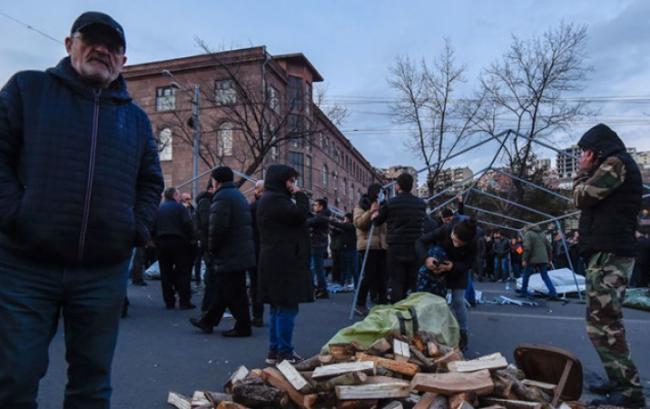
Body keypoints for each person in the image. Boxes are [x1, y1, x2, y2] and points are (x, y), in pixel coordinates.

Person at [0, 11, 164, 408]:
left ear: (123, 61)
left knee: (91, 385)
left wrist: (135, 229)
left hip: (102, 271)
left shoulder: (136, 120)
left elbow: (150, 181)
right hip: (26, 265)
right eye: (92, 41)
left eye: (113, 47)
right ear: (69, 44)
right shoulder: (29, 89)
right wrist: (14, 215)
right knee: (15, 379)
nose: (102, 51)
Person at [573, 124, 646, 408]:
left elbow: (581, 196)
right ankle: (618, 380)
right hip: (608, 253)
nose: (583, 158)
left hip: (610, 255)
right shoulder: (617, 163)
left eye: (585, 153)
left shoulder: (615, 164)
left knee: (604, 324)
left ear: (596, 150)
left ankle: (629, 391)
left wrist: (582, 172)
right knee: (603, 323)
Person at [257, 165, 313, 364]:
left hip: (274, 258)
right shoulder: (277, 200)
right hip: (285, 260)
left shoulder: (268, 199)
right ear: (281, 180)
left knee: (277, 307)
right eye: (290, 181)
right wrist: (300, 195)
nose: (293, 185)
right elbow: (300, 215)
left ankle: (275, 351)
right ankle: (285, 353)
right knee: (287, 307)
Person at [189, 167, 255, 337]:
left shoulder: (222, 197)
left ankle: (243, 326)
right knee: (225, 289)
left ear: (216, 180)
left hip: (229, 251)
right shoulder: (237, 195)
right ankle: (208, 321)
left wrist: (212, 248)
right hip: (238, 250)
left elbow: (217, 227)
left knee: (233, 291)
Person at [415, 218, 478, 351]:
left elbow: (471, 263)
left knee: (458, 301)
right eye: (454, 239)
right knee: (437, 301)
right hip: (439, 267)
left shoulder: (474, 242)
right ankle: (435, 334)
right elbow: (420, 241)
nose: (455, 244)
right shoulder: (445, 229)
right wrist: (426, 259)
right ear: (453, 231)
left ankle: (463, 334)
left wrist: (454, 266)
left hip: (458, 270)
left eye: (459, 243)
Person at [372, 173, 426, 302]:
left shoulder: (391, 203)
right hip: (414, 246)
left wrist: (375, 213)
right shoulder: (420, 204)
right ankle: (411, 311)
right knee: (412, 281)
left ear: (398, 186)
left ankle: (398, 311)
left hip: (396, 246)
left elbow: (377, 222)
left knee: (396, 280)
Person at [153, 187, 195, 309]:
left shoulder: (159, 209)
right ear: (174, 195)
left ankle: (169, 301)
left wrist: (155, 240)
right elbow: (188, 224)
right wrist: (191, 238)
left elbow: (152, 226)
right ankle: (184, 301)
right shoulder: (180, 208)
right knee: (183, 272)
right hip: (179, 242)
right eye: (179, 195)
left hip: (162, 242)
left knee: (165, 272)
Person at [353, 183, 388, 316]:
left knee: (383, 276)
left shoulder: (384, 206)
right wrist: (371, 211)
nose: (382, 196)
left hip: (382, 245)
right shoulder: (361, 205)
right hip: (367, 244)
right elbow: (359, 223)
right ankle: (360, 303)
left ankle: (382, 301)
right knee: (369, 275)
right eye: (380, 193)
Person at [520, 225, 557, 299]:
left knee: (526, 275)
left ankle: (524, 291)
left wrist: (524, 259)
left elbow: (527, 248)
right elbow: (550, 247)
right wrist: (549, 259)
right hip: (543, 259)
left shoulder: (528, 234)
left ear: (526, 228)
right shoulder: (542, 234)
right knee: (545, 276)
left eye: (523, 228)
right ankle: (553, 293)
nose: (523, 230)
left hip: (533, 259)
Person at [249, 179, 265, 327]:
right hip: (271, 249)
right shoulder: (275, 205)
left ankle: (257, 315)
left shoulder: (253, 206)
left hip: (255, 248)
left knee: (255, 284)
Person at [193, 181, 216, 288]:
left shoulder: (205, 201)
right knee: (205, 260)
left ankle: (201, 281)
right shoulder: (206, 202)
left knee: (202, 260)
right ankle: (201, 281)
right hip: (203, 237)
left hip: (202, 236)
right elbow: (205, 221)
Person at [308, 198, 331, 299]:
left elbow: (309, 222)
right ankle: (320, 289)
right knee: (317, 268)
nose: (314, 206)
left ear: (321, 207)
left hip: (317, 245)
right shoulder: (322, 216)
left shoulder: (321, 217)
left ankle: (321, 289)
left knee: (317, 268)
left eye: (316, 205)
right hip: (318, 245)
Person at [330, 213, 358, 287]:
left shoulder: (351, 226)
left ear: (348, 219)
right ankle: (342, 284)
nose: (344, 220)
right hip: (344, 250)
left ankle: (355, 284)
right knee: (344, 268)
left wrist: (331, 221)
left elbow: (341, 226)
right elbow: (337, 230)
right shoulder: (346, 227)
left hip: (351, 250)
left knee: (353, 268)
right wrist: (331, 227)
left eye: (345, 219)